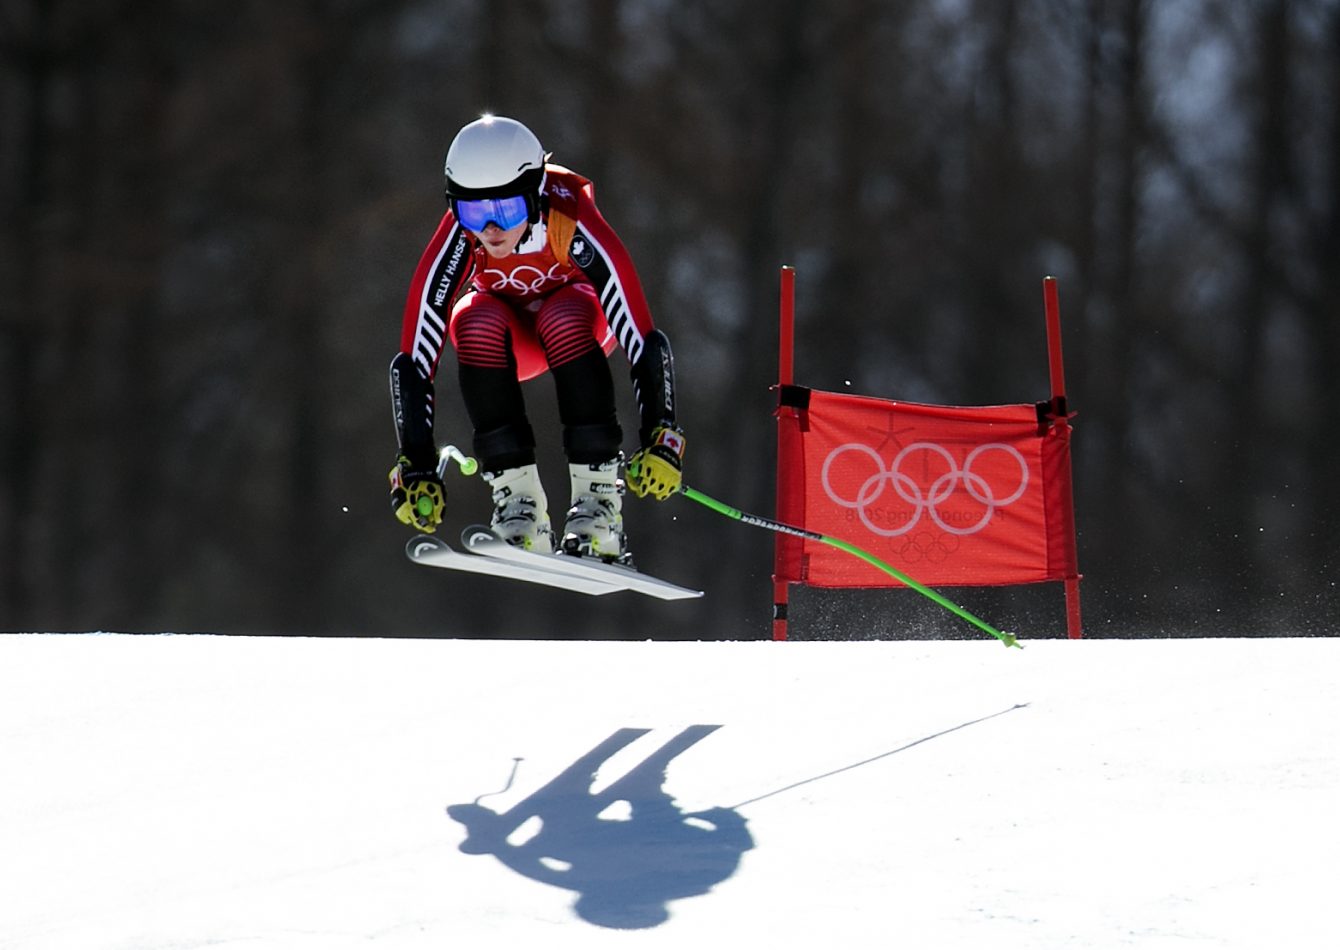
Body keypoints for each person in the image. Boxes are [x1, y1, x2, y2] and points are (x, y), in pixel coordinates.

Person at [388, 114, 685, 561]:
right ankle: (517, 504)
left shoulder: (565, 213)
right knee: (470, 317)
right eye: (473, 212)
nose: (491, 230)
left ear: (535, 193)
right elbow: (415, 354)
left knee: (562, 313)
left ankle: (598, 504)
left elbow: (637, 328)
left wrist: (661, 434)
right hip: (512, 343)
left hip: (581, 324)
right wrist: (415, 462)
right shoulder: (460, 236)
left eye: (506, 210)